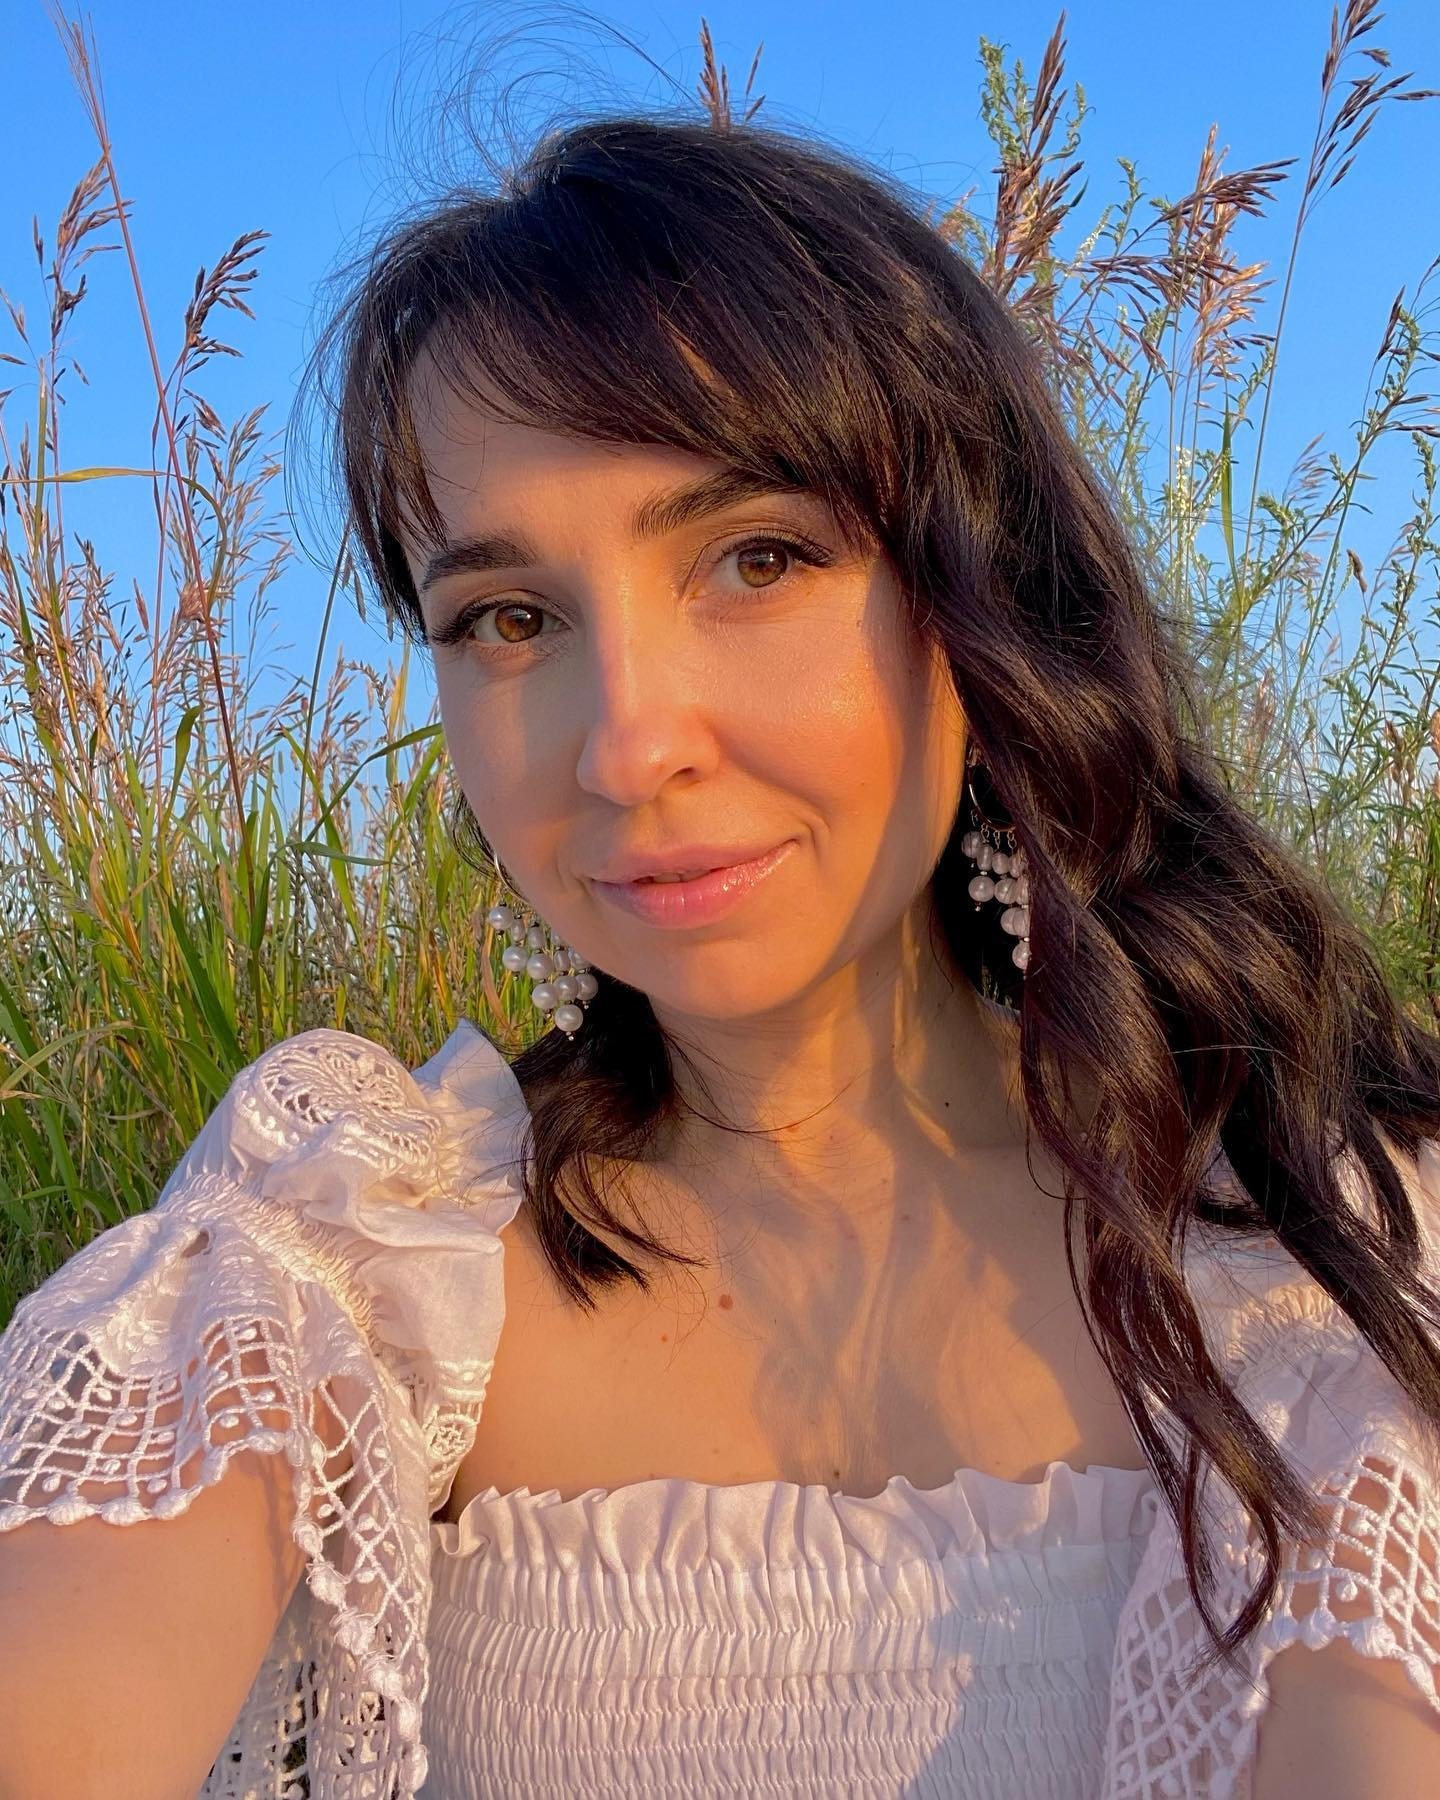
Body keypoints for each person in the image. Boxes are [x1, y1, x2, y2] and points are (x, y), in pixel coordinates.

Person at [3, 107, 1440, 1800]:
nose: (626, 746)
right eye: (509, 618)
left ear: (983, 605)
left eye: (758, 558)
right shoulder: (358, 1266)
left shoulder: (1331, 1255)